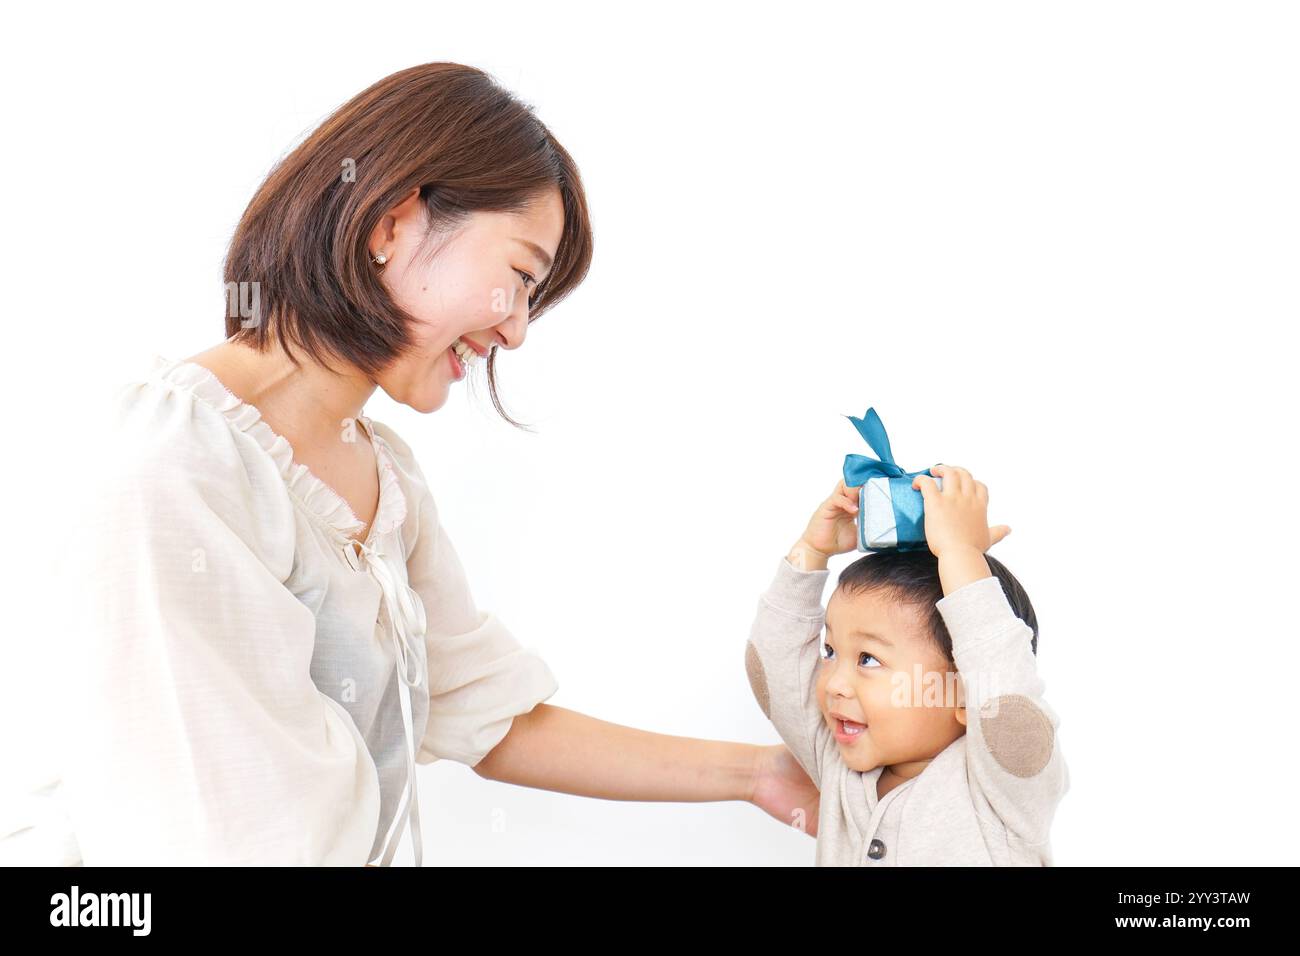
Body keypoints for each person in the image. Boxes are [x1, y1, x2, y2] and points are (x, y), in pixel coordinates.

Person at [0, 62, 818, 866]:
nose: (517, 331)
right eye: (521, 276)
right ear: (392, 224)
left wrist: (759, 775)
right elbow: (218, 827)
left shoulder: (384, 478)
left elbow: (486, 714)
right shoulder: (176, 462)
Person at [744, 467, 1070, 865]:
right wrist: (812, 552)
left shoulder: (1005, 788)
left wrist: (960, 555)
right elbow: (774, 671)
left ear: (964, 689)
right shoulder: (839, 762)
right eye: (830, 651)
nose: (834, 684)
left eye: (868, 659)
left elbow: (1006, 698)